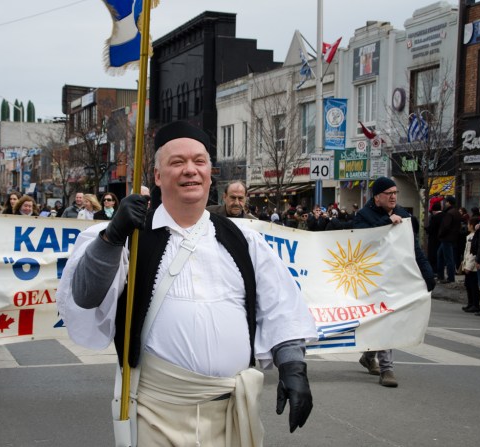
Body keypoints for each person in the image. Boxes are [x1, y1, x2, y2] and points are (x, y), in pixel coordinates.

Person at [57, 121, 317, 445]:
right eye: (177, 162)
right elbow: (85, 295)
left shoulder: (244, 240)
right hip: (156, 415)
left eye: (199, 161)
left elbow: (280, 304)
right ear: (156, 176)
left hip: (230, 417)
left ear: (211, 172)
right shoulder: (130, 238)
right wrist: (112, 236)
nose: (190, 171)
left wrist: (294, 367)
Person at [353, 176, 435, 388]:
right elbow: (360, 241)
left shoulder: (404, 214)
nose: (393, 197)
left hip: (394, 277)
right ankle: (379, 362)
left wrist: (427, 273)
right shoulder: (364, 215)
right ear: (377, 197)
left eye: (395, 193)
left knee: (387, 318)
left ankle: (379, 362)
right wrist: (385, 223)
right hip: (371, 277)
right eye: (388, 193)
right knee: (378, 318)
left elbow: (413, 247)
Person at [436, 196, 461, 283]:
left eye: (446, 202)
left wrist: (440, 234)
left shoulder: (449, 213)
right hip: (451, 238)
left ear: (449, 203)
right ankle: (441, 276)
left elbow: (445, 226)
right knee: (441, 255)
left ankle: (449, 277)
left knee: (448, 258)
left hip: (446, 238)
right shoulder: (456, 212)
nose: (445, 203)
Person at [461, 217, 480, 313]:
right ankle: (470, 303)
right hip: (467, 263)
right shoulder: (469, 236)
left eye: (469, 224)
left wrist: (468, 266)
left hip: (472, 266)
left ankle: (475, 304)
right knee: (468, 285)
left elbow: (472, 253)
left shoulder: (474, 237)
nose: (467, 226)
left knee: (473, 286)